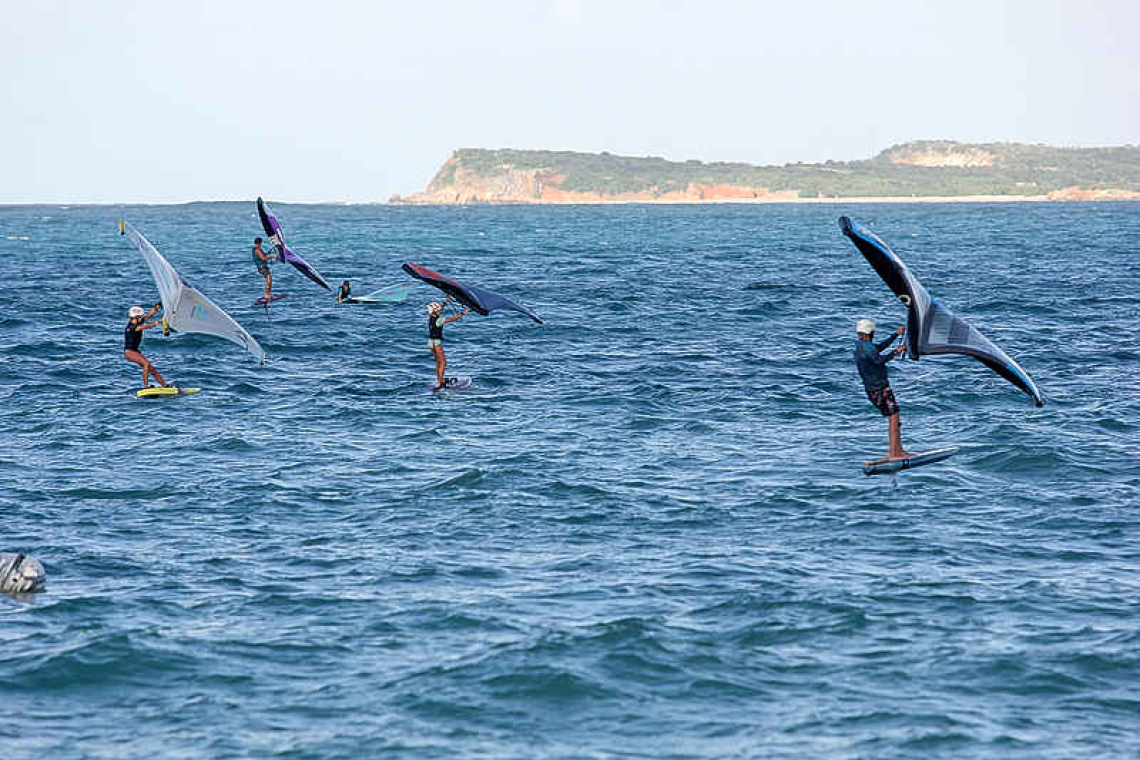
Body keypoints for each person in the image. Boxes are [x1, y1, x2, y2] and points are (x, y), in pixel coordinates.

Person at [855, 318, 911, 461]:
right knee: (894, 416)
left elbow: (878, 349)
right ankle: (894, 453)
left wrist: (895, 335)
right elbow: (879, 360)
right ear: (869, 333)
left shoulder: (862, 346)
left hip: (872, 390)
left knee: (894, 415)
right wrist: (896, 352)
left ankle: (898, 450)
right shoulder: (868, 348)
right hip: (880, 389)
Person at [427, 296, 469, 391]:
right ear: (434, 311)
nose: (439, 311)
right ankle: (440, 384)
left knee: (438, 362)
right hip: (436, 343)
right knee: (443, 363)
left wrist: (446, 302)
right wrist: (464, 312)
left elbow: (440, 309)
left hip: (430, 342)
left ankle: (440, 381)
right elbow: (454, 318)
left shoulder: (431, 317)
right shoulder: (439, 320)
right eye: (437, 310)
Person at [124, 303, 169, 389]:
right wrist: (159, 321)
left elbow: (149, 315)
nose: (142, 318)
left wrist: (157, 307)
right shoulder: (133, 327)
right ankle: (146, 386)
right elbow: (147, 326)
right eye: (140, 317)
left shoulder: (137, 321)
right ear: (136, 317)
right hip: (129, 353)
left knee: (151, 369)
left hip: (136, 352)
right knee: (146, 364)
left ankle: (165, 386)